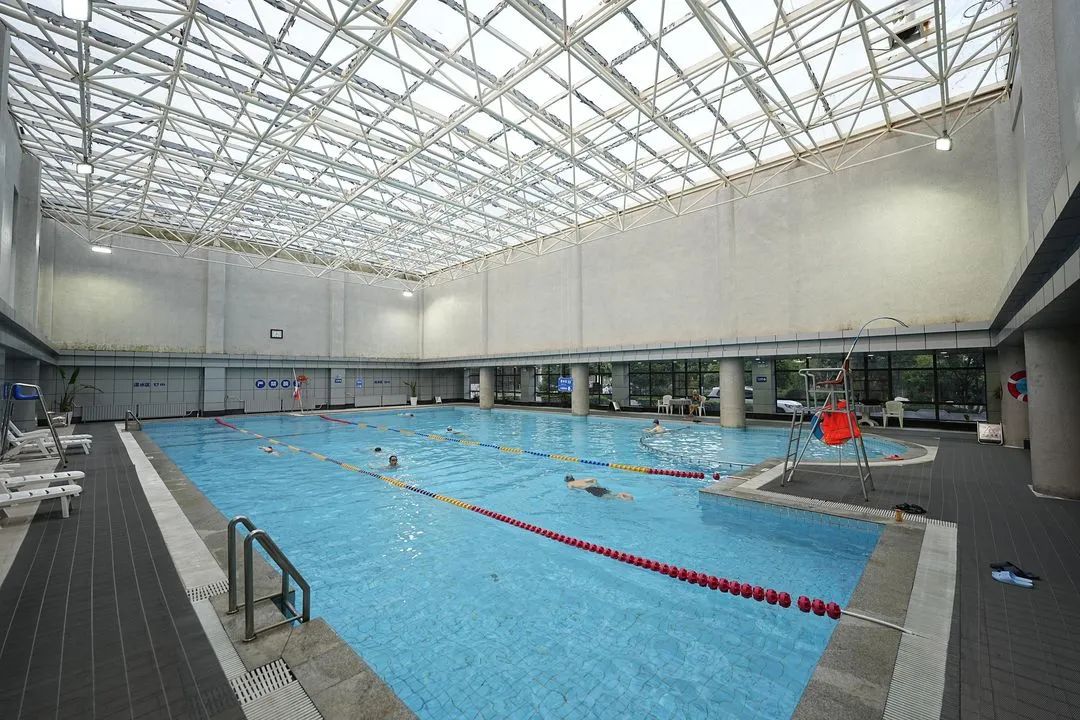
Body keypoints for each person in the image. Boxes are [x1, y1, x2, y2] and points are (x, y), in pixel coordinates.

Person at [564, 474, 632, 501]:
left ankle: (623, 497)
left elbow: (571, 489)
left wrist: (577, 492)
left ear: (567, 481)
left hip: (590, 489)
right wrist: (597, 485)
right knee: (612, 494)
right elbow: (594, 479)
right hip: (594, 486)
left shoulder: (569, 484)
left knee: (608, 497)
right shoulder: (581, 480)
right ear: (573, 478)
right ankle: (624, 494)